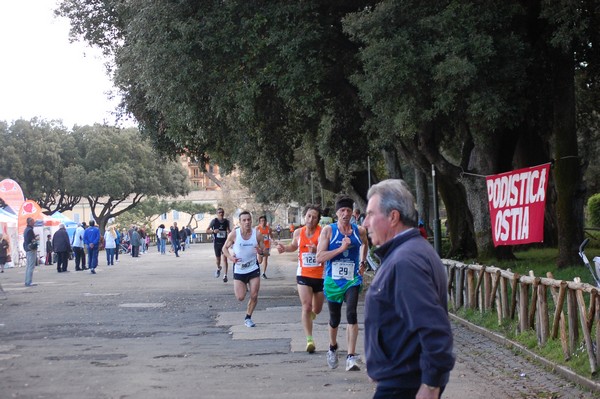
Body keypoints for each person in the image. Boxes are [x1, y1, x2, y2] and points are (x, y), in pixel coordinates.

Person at [362, 179, 455, 399]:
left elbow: (434, 329)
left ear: (393, 217)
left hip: (404, 385)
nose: (365, 223)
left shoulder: (405, 261)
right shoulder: (408, 252)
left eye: (370, 214)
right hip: (400, 380)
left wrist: (431, 385)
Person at [316, 196, 368, 372]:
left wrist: (362, 262)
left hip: (352, 279)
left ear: (352, 212)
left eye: (348, 210)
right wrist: (340, 249)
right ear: (336, 213)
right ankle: (332, 347)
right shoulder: (328, 231)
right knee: (334, 319)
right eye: (342, 211)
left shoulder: (359, 231)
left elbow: (365, 245)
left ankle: (351, 357)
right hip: (333, 281)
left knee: (352, 313)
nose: (345, 214)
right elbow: (319, 257)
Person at [276, 204, 324, 353]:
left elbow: (326, 250)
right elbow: (293, 246)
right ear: (305, 216)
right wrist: (285, 249)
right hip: (303, 274)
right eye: (309, 216)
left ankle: (311, 316)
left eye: (314, 217)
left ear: (318, 220)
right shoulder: (298, 232)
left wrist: (316, 250)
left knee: (317, 309)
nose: (311, 219)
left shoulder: (323, 233)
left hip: (320, 275)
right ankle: (309, 340)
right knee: (307, 306)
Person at [222, 211, 265, 328]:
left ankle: (248, 317)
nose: (247, 222)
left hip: (253, 268)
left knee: (254, 295)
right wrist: (231, 257)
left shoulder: (257, 235)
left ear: (251, 221)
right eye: (244, 220)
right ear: (240, 222)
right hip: (239, 269)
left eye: (249, 220)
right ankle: (243, 285)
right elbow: (224, 248)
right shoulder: (234, 234)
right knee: (240, 297)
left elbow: (265, 251)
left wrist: (261, 252)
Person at [207, 208, 231, 282]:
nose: (221, 213)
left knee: (225, 259)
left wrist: (229, 233)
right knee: (218, 260)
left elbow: (229, 230)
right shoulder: (214, 221)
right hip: (217, 243)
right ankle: (218, 267)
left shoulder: (226, 221)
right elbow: (207, 230)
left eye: (222, 212)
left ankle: (225, 275)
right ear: (217, 213)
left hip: (224, 243)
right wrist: (213, 231)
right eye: (220, 212)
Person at [23, 217, 38, 286]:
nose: (34, 223)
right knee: (31, 266)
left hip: (27, 249)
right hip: (31, 249)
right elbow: (32, 240)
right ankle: (29, 282)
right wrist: (36, 239)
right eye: (33, 221)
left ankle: (27, 281)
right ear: (30, 222)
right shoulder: (30, 230)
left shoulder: (26, 230)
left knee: (28, 266)